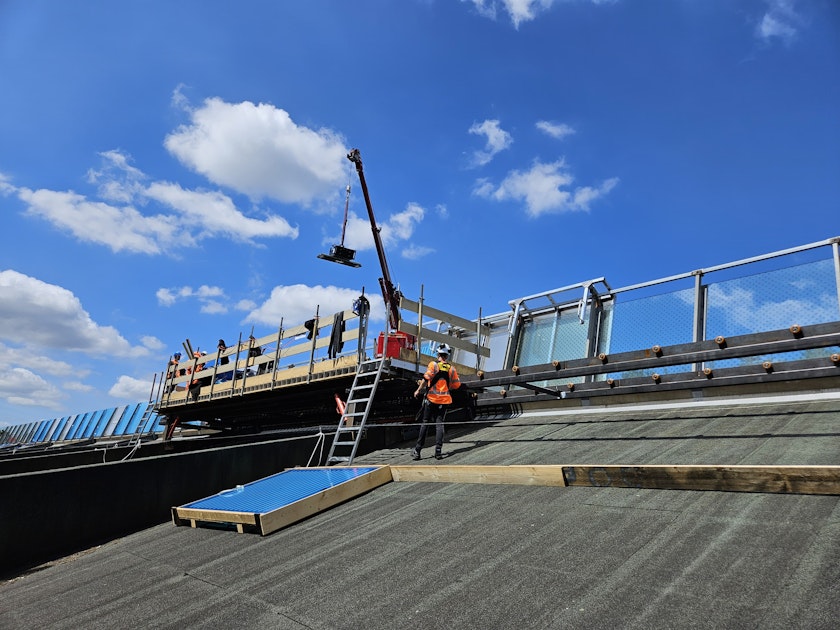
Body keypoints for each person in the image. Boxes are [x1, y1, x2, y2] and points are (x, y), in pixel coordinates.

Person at [412, 343, 460, 460]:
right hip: (444, 401)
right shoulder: (452, 369)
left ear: (438, 354)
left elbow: (426, 379)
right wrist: (447, 386)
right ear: (447, 356)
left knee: (425, 423)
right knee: (439, 424)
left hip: (431, 400)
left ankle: (417, 451)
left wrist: (418, 390)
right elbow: (457, 385)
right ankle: (438, 452)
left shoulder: (433, 365)